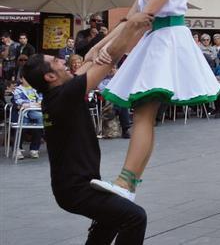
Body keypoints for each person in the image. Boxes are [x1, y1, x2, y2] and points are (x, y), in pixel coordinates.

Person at [91, 0, 220, 201]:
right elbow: (130, 18)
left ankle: (127, 184)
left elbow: (142, 18)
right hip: (157, 43)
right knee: (143, 115)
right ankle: (128, 184)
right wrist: (99, 46)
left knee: (143, 114)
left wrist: (109, 49)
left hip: (166, 43)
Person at [22, 13, 149, 244]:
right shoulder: (65, 96)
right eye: (57, 61)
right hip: (77, 190)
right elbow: (108, 60)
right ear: (50, 76)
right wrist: (132, 28)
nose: (64, 60)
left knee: (110, 221)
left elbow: (91, 57)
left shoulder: (58, 93)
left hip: (75, 188)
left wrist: (118, 29)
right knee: (135, 217)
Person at [11, 76, 44, 160]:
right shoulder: (18, 89)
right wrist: (32, 104)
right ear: (21, 79)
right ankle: (17, 149)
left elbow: (41, 100)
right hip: (22, 113)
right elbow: (19, 102)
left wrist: (32, 104)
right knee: (23, 125)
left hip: (35, 111)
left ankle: (34, 149)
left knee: (39, 122)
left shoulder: (35, 89)